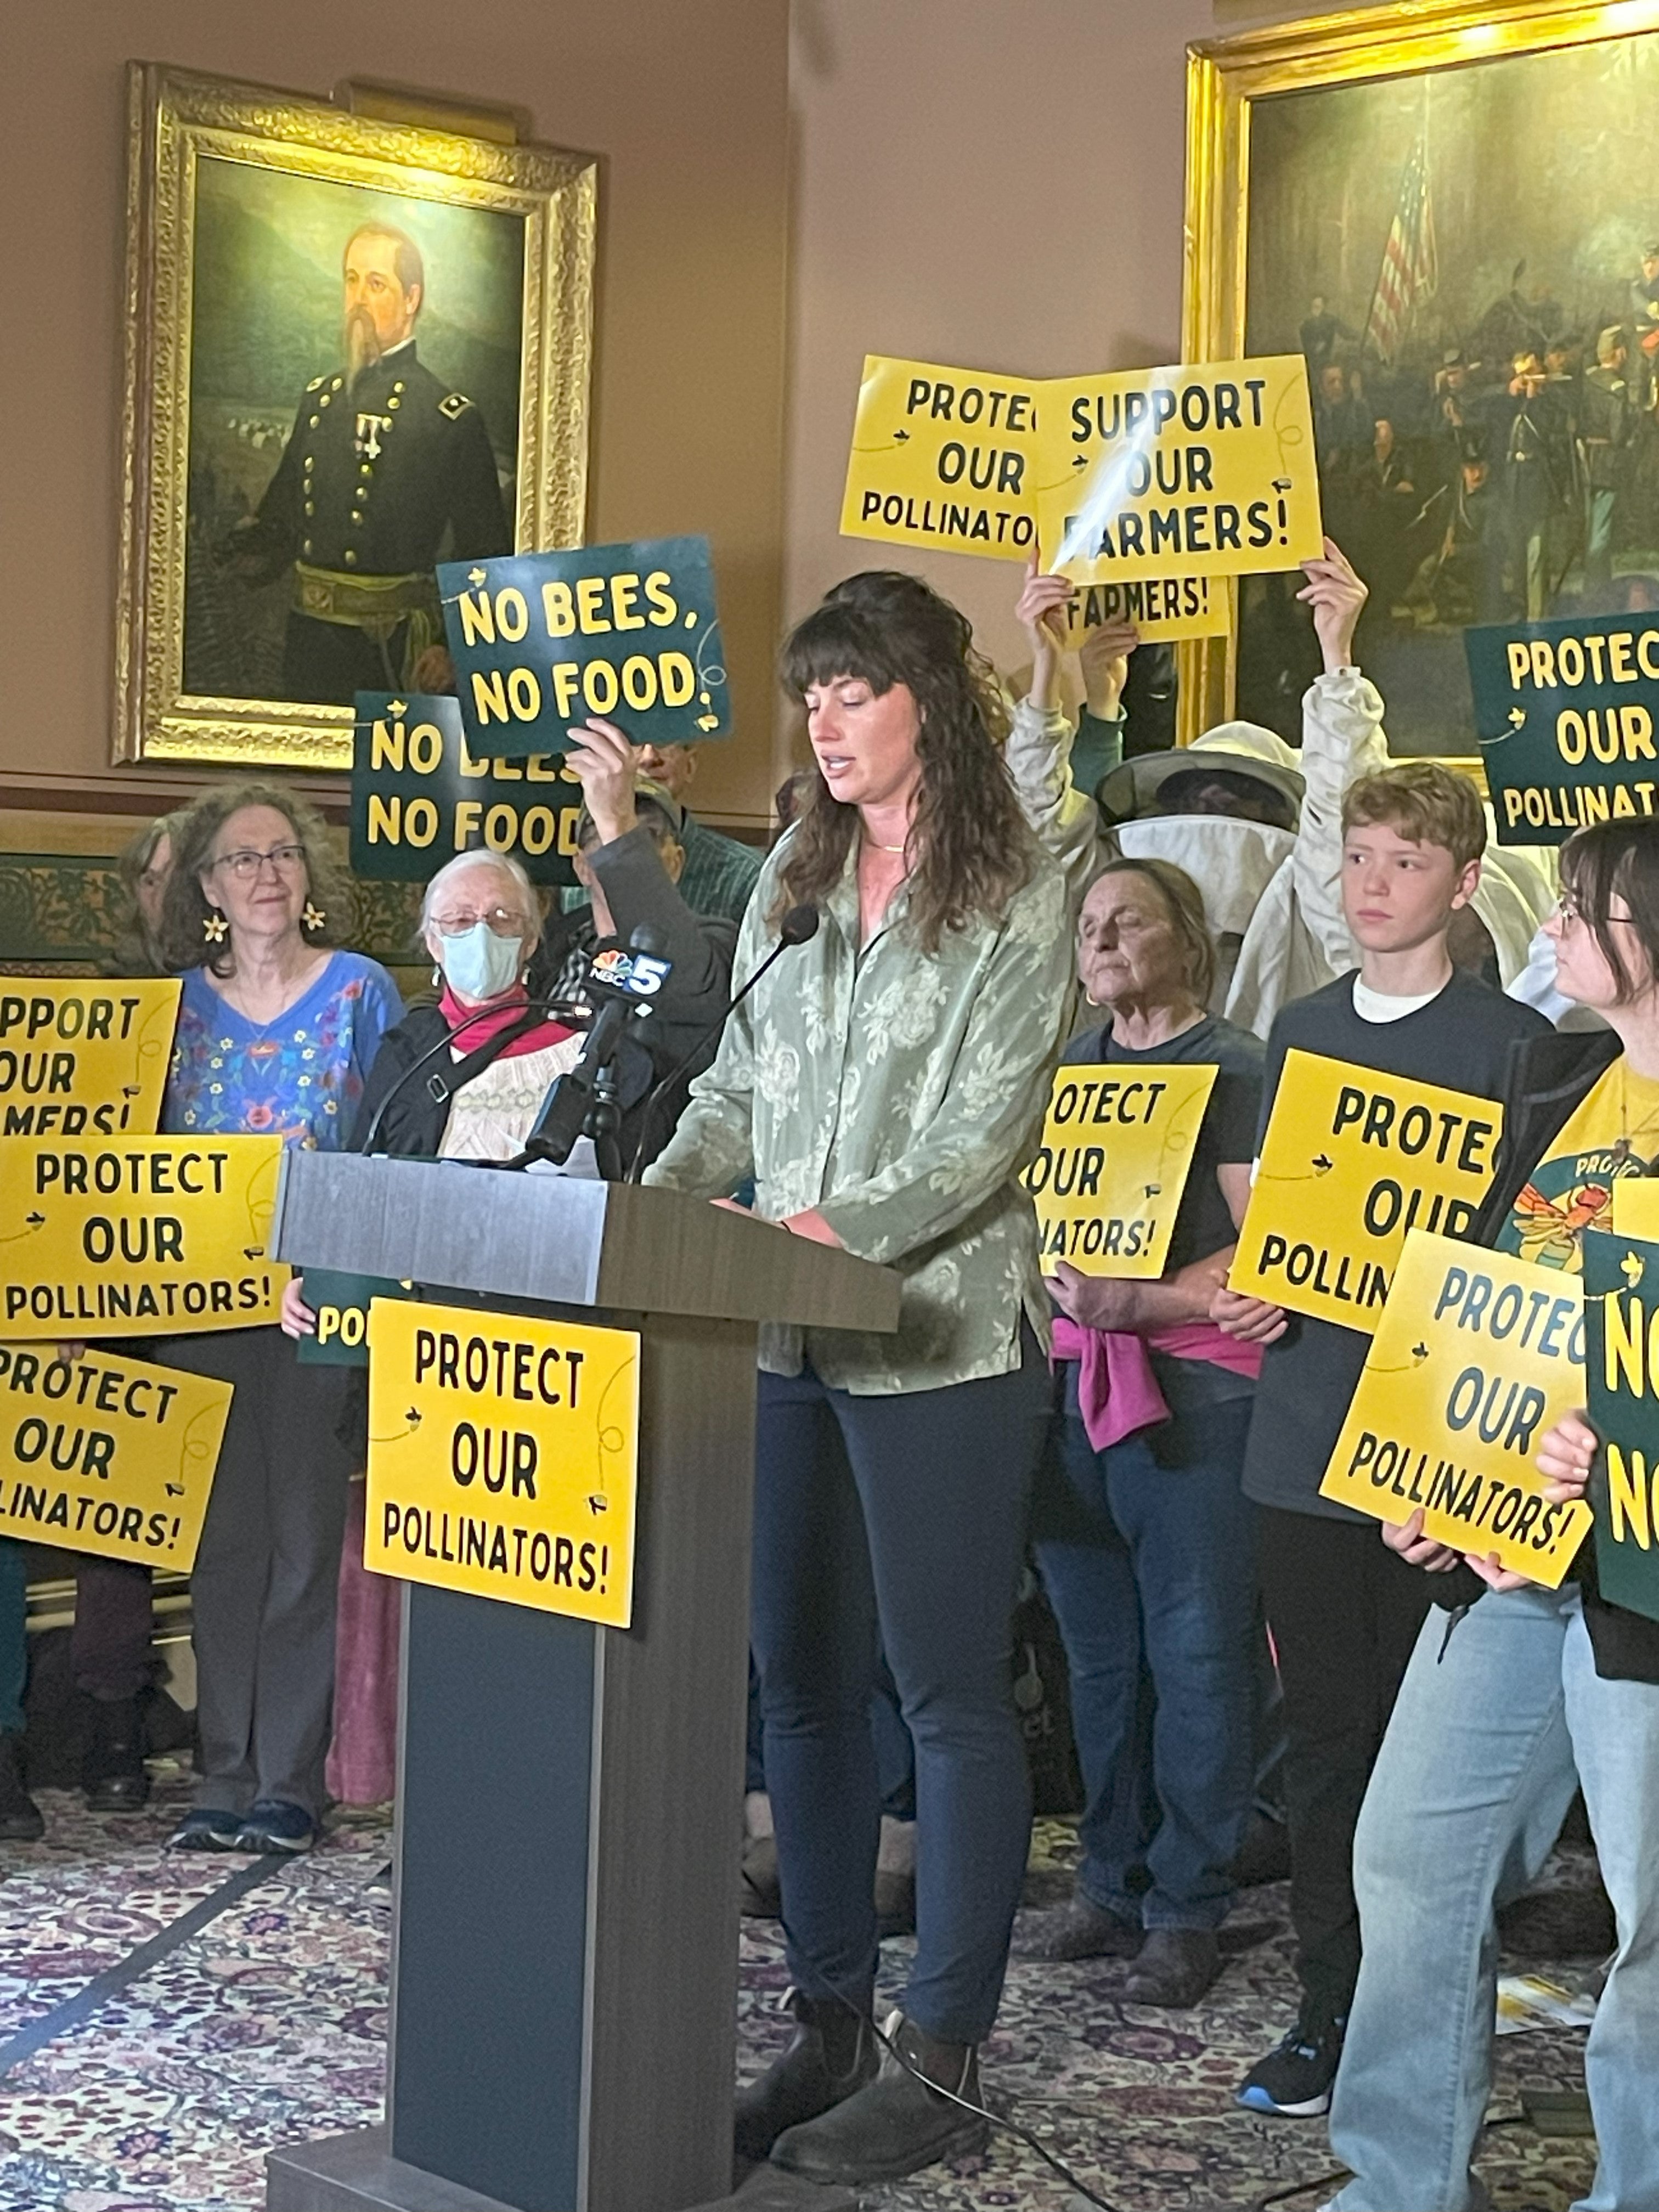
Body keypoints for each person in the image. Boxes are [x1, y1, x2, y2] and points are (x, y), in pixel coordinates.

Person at [644, 570, 1074, 2183]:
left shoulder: (1020, 880)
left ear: (929, 705)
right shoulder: (793, 880)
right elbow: (738, 1079)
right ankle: (830, 2020)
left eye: (853, 692)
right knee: (801, 1689)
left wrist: (836, 1232)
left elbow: (990, 1128)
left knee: (949, 1699)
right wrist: (672, 1197)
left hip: (942, 1342)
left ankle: (944, 2058)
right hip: (777, 1337)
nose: (823, 722)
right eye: (809, 696)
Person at [1328, 816, 1659, 2211]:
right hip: (1503, 1557)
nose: (1553, 928)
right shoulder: (1558, 1075)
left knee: (1654, 1926)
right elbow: (1482, 1318)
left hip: (1639, 1582)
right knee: (1409, 1856)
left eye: (1582, 907)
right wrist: (1425, 1484)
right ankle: (1395, 2187)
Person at [1211, 764, 1550, 2119]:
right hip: (1299, 1438)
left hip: (1435, 1458)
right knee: (1325, 1740)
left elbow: (1525, 1264)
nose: (1371, 886)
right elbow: (1278, 1227)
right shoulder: (1294, 1031)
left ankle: (1427, 2020)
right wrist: (1252, 1281)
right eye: (1357, 859)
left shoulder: (1512, 1046)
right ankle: (1328, 2004)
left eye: (1404, 862)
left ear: (1463, 885)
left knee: (1438, 1776)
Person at [1017, 857, 1265, 2007]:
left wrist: (1144, 1305)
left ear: (1189, 941)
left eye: (1131, 919)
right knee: (1100, 1662)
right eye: (1090, 923)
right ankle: (1109, 1884)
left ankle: (1188, 1905)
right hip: (1071, 1392)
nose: (1104, 936)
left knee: (1201, 1659)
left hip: (1199, 1397)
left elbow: (1271, 1249)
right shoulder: (1069, 1064)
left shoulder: (1237, 1065)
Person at [1007, 542, 1555, 1036]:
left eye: (1231, 792)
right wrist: (1051, 676)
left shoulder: (1317, 909)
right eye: (1194, 792)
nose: (1212, 806)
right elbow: (1047, 839)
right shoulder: (1120, 897)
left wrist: (1337, 656)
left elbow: (1344, 816)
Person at [156, 782, 402, 1853]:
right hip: (200, 1308)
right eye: (242, 859)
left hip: (319, 1311)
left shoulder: (360, 992)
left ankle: (288, 1782)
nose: (266, 873)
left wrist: (345, 1279)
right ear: (208, 888)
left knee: (306, 1545)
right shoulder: (170, 1011)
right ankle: (223, 1772)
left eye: (284, 854)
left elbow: (393, 1145)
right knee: (223, 1547)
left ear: (307, 876)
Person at [224, 222, 511, 705]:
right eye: (351, 280)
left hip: (389, 648)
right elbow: (284, 517)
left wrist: (449, 646)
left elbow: (485, 556)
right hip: (310, 641)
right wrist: (242, 548)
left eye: (376, 284)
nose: (358, 297)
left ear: (412, 299)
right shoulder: (319, 400)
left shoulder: (447, 417)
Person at [631, 738, 764, 923]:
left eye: (664, 739)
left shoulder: (745, 876)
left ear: (690, 766)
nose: (649, 757)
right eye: (634, 741)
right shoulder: (580, 878)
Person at [1579, 325, 1635, 599]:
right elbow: (1619, 433)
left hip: (1585, 461)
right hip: (1608, 464)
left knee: (1593, 525)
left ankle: (1597, 587)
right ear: (1619, 352)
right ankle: (1597, 593)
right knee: (1601, 531)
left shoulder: (1588, 379)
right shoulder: (1617, 388)